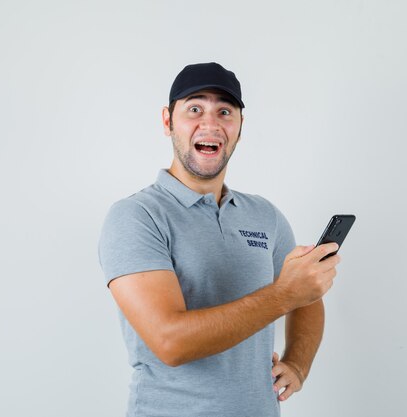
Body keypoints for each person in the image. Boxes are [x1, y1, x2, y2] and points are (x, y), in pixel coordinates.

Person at [98, 62, 341, 417]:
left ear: (240, 128)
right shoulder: (136, 216)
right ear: (167, 122)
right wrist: (283, 294)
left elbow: (306, 296)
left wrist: (297, 364)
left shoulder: (265, 215)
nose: (210, 124)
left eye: (224, 112)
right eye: (194, 109)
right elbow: (170, 341)